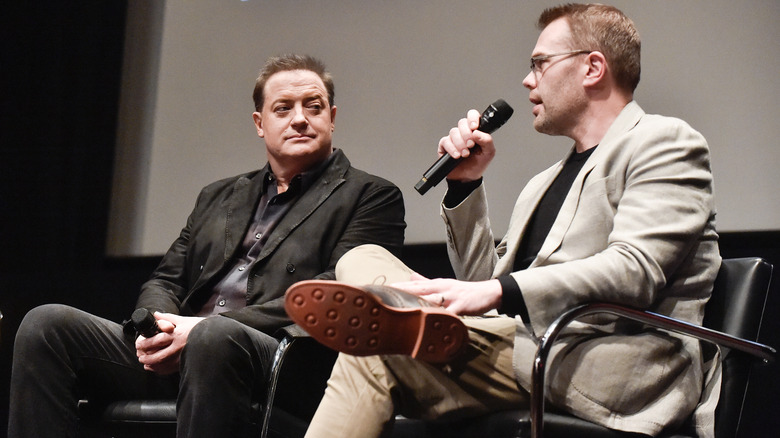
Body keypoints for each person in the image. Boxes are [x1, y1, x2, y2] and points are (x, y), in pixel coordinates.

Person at [288, 4, 720, 437]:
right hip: (521, 343)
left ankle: (403, 313)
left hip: (601, 361)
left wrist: (497, 290)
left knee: (374, 350)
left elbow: (635, 269)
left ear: (592, 67)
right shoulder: (543, 183)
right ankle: (405, 311)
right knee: (362, 256)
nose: (527, 80)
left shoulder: (663, 142)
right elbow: (483, 280)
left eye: (539, 64)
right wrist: (464, 186)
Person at [7, 54, 406, 438]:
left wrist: (199, 329)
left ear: (332, 118)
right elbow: (167, 278)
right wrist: (162, 328)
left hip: (281, 362)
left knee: (213, 339)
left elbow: (337, 294)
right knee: (46, 326)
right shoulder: (219, 196)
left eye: (313, 106)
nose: (299, 118)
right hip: (185, 348)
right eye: (283, 108)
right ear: (260, 123)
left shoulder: (371, 195)